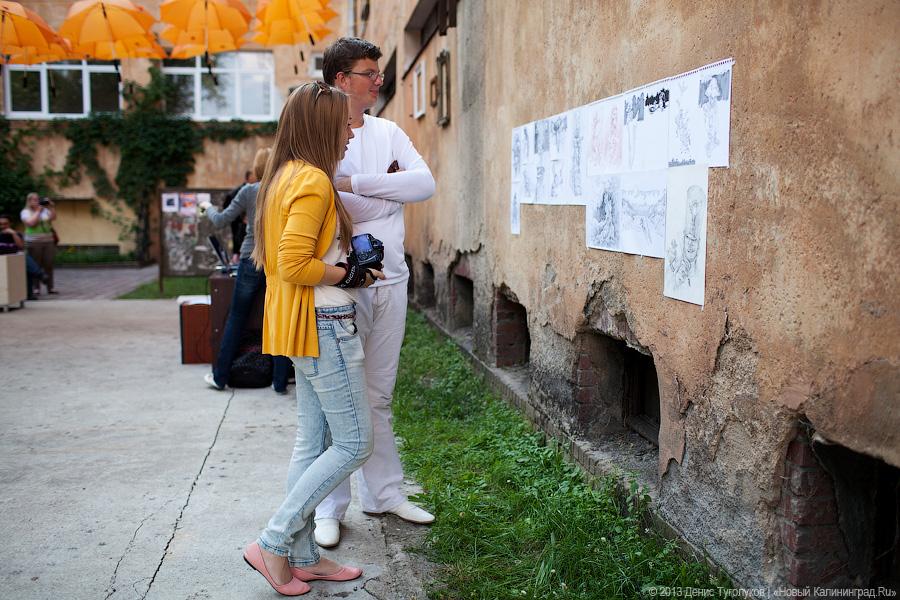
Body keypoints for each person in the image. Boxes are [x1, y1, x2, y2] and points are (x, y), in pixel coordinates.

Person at [242, 81, 384, 596]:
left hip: (303, 322)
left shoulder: (284, 176)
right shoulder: (313, 182)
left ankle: (302, 556)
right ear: (324, 126)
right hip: (323, 323)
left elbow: (285, 260)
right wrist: (348, 275)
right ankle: (274, 542)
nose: (352, 130)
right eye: (346, 122)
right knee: (354, 444)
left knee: (314, 442)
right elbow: (293, 262)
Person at [314, 37, 436, 548]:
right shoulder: (319, 133)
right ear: (342, 79)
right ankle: (328, 506)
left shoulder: (388, 130)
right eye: (370, 72)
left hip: (393, 278)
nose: (379, 80)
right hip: (340, 283)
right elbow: (325, 199)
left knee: (379, 394)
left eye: (378, 72)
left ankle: (384, 494)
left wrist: (356, 183)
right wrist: (385, 191)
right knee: (334, 399)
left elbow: (424, 185)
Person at [199, 149, 292, 394]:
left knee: (237, 317)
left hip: (251, 257)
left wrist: (207, 207)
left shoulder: (249, 191)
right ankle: (280, 381)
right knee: (278, 317)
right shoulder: (285, 189)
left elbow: (220, 220)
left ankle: (220, 377)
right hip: (277, 259)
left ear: (257, 168)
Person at [0, 215, 47, 301]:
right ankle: (39, 274)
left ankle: (29, 294)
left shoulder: (16, 234)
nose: (3, 226)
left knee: (23, 260)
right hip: (2, 261)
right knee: (24, 259)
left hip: (15, 259)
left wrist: (13, 233)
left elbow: (21, 247)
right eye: (1, 224)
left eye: (5, 224)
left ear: (10, 224)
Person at [20, 192, 57, 295]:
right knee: (36, 265)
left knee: (49, 264)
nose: (37, 201)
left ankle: (50, 287)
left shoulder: (45, 210)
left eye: (38, 199)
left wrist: (51, 207)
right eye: (34, 200)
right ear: (29, 201)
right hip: (34, 242)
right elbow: (31, 223)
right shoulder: (25, 212)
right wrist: (38, 211)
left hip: (48, 241)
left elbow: (53, 218)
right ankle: (36, 288)